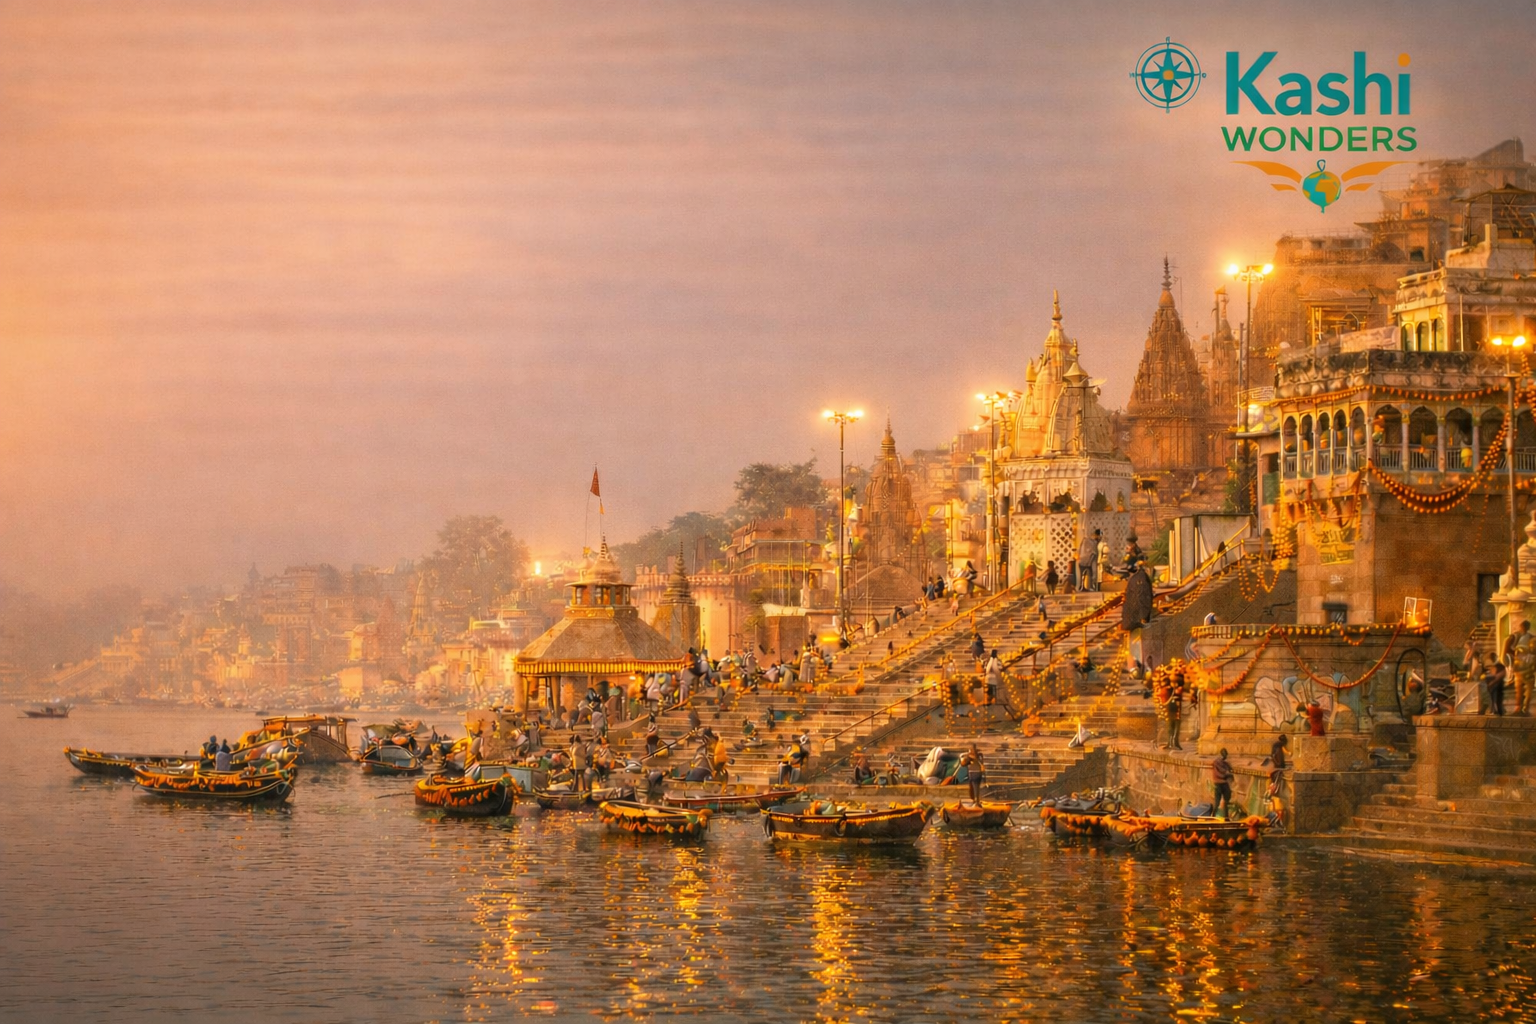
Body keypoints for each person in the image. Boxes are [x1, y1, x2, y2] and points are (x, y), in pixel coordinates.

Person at [1505, 618, 1535, 715]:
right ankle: (1520, 708)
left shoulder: (1531, 639)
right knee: (1519, 690)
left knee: (1526, 690)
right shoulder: (1517, 637)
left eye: (1521, 627)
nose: (1520, 629)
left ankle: (1524, 709)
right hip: (1519, 668)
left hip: (1527, 668)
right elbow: (1510, 649)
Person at [1163, 671, 1185, 751]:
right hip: (1170, 711)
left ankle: (1176, 742)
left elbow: (1179, 698)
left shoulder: (1179, 689)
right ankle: (1169, 742)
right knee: (1170, 728)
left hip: (1177, 712)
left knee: (1176, 728)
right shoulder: (1169, 690)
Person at [1211, 747, 1234, 819]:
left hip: (1223, 783)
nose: (1225, 757)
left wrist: (1229, 770)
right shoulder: (1217, 763)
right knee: (1217, 802)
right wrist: (1227, 773)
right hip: (1218, 783)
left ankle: (1226, 816)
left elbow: (1229, 768)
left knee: (1226, 800)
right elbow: (1220, 773)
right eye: (1225, 755)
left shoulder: (1224, 763)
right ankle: (1213, 816)